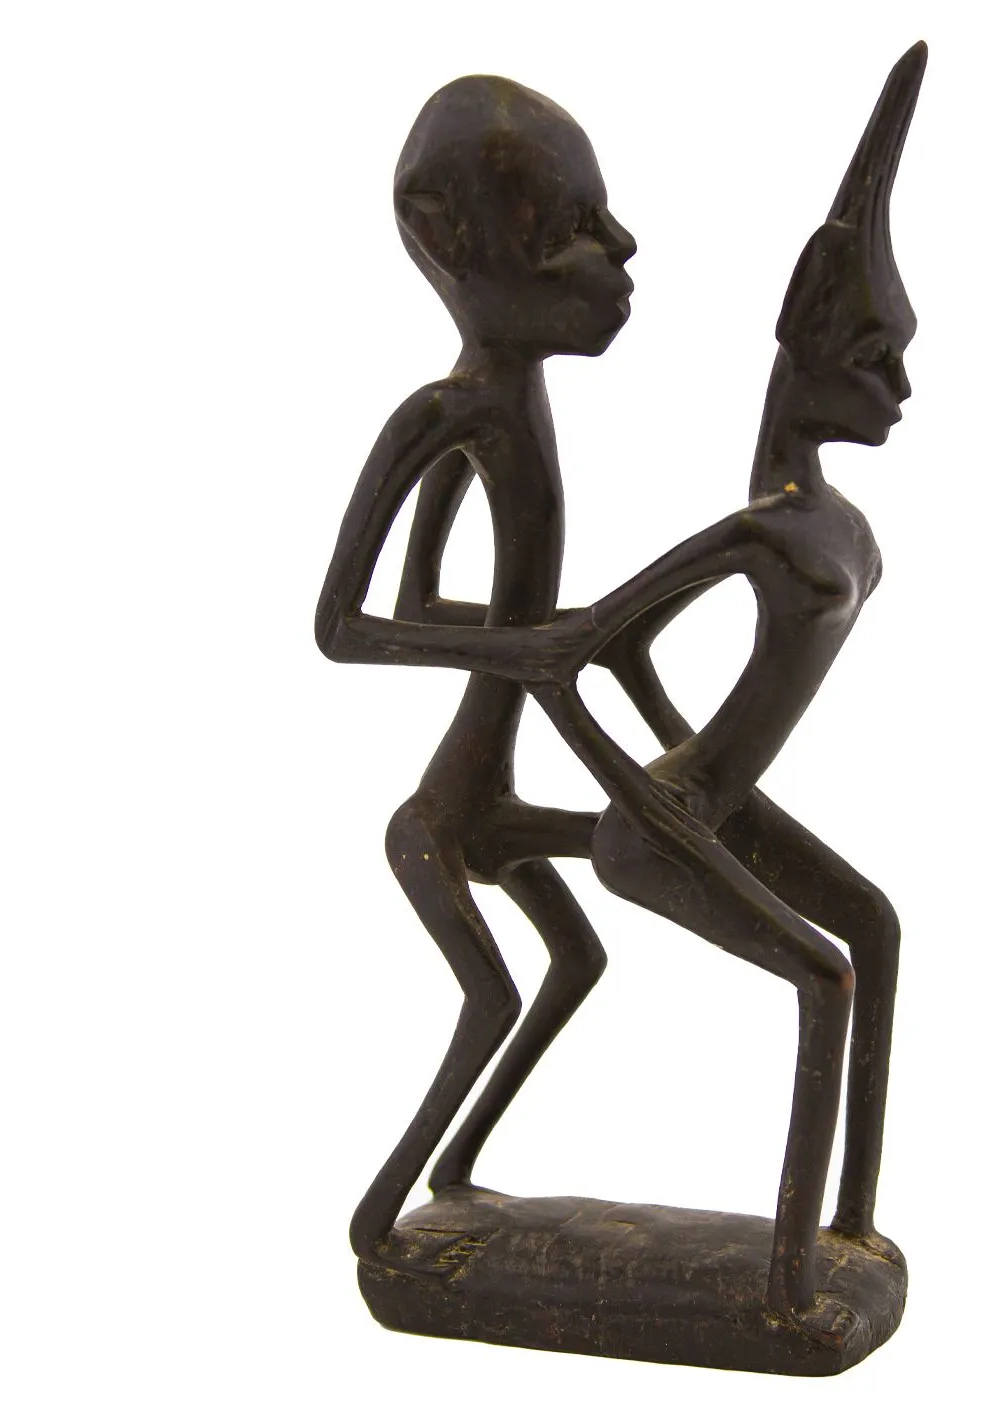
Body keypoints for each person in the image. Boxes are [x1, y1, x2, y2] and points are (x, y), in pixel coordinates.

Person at [529, 41, 926, 1320]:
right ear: (813, 350)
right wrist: (650, 795)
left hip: (713, 801)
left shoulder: (841, 525)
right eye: (877, 355)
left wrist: (689, 761)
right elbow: (577, 651)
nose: (901, 387)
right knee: (827, 978)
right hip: (660, 825)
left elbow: (629, 665)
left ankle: (852, 1224)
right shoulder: (766, 528)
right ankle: (787, 1288)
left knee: (875, 928)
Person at [315, 73, 636, 1266]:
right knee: (494, 995)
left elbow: (426, 601)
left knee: (584, 954)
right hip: (446, 815)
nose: (620, 248)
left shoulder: (516, 404)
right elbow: (346, 624)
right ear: (449, 239)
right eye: (571, 226)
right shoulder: (442, 413)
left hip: (496, 792)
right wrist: (530, 645)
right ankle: (380, 1223)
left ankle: (458, 1176)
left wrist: (568, 628)